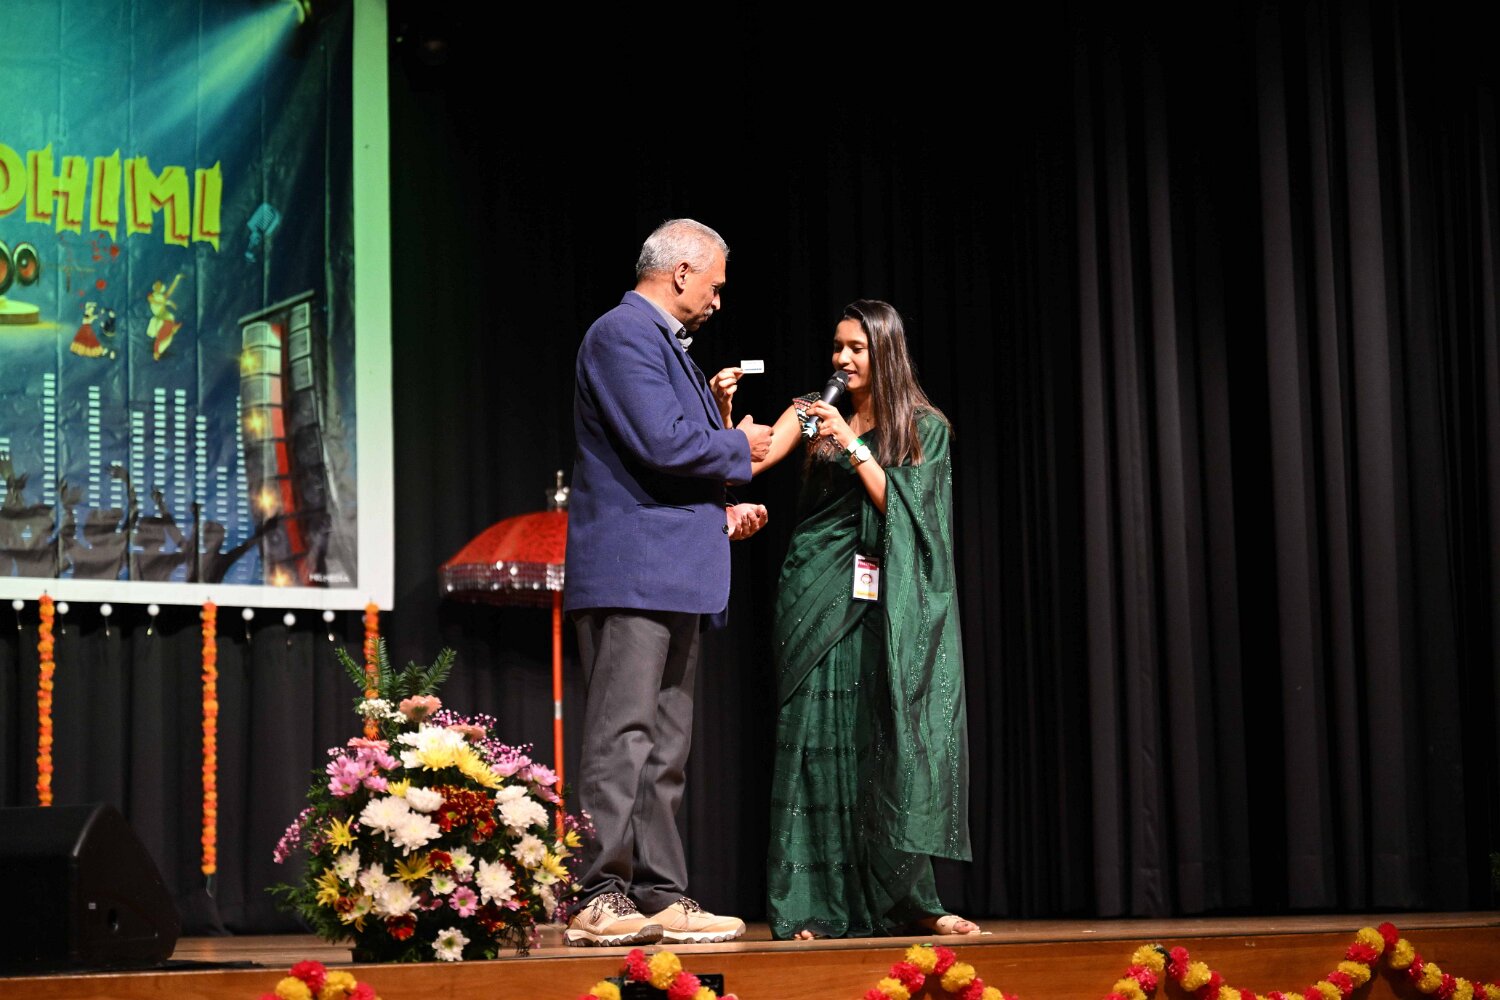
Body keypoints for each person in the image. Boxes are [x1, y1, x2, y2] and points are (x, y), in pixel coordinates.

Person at [713, 298, 980, 940]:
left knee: (885, 736)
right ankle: (811, 904)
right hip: (815, 586)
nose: (842, 358)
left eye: (856, 348)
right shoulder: (812, 410)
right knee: (814, 738)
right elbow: (747, 463)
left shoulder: (922, 427)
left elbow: (909, 513)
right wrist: (723, 412)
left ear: (885, 351)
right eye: (838, 346)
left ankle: (908, 901)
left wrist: (852, 443)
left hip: (888, 596)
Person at [562, 218, 773, 947]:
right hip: (634, 571)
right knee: (621, 737)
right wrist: (741, 443)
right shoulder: (622, 334)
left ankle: (658, 893)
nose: (717, 300)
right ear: (681, 271)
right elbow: (661, 443)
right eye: (714, 285)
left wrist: (722, 507)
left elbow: (673, 461)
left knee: (664, 749)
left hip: (675, 570)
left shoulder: (666, 344)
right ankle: (598, 893)